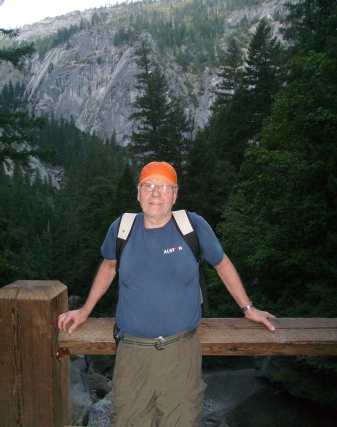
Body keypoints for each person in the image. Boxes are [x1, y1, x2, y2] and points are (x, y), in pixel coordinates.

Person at [58, 161, 275, 426]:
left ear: (175, 194)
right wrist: (84, 310)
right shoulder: (122, 228)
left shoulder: (192, 226)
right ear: (138, 193)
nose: (156, 193)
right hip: (132, 353)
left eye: (164, 187)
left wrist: (248, 308)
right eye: (148, 186)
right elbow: (108, 266)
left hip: (181, 352)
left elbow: (222, 264)